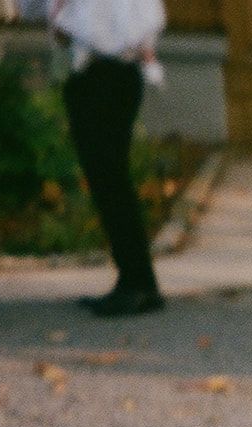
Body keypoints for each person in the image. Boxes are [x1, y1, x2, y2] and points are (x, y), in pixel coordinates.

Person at [49, 0, 167, 316]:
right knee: (109, 180)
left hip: (106, 76)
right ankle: (137, 279)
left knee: (109, 178)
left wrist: (65, 18)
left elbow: (81, 30)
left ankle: (136, 283)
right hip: (108, 76)